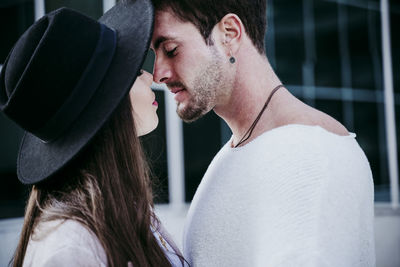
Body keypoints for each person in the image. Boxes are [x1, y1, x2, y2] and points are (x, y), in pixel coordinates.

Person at [150, 0, 375, 266]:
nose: (157, 74)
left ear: (229, 34)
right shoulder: (242, 149)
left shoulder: (311, 156)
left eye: (171, 50)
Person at [0, 1, 185, 266]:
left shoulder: (118, 207)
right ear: (106, 105)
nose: (151, 78)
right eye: (134, 70)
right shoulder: (69, 247)